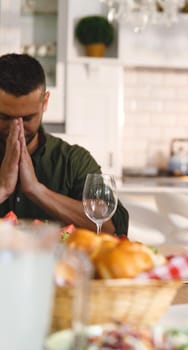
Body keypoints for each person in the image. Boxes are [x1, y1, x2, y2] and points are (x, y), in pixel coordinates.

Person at [0, 53, 128, 235]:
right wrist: (3, 188)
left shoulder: (73, 160)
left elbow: (114, 225)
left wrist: (37, 191)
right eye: (4, 117)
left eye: (27, 118)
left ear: (44, 103)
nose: (16, 128)